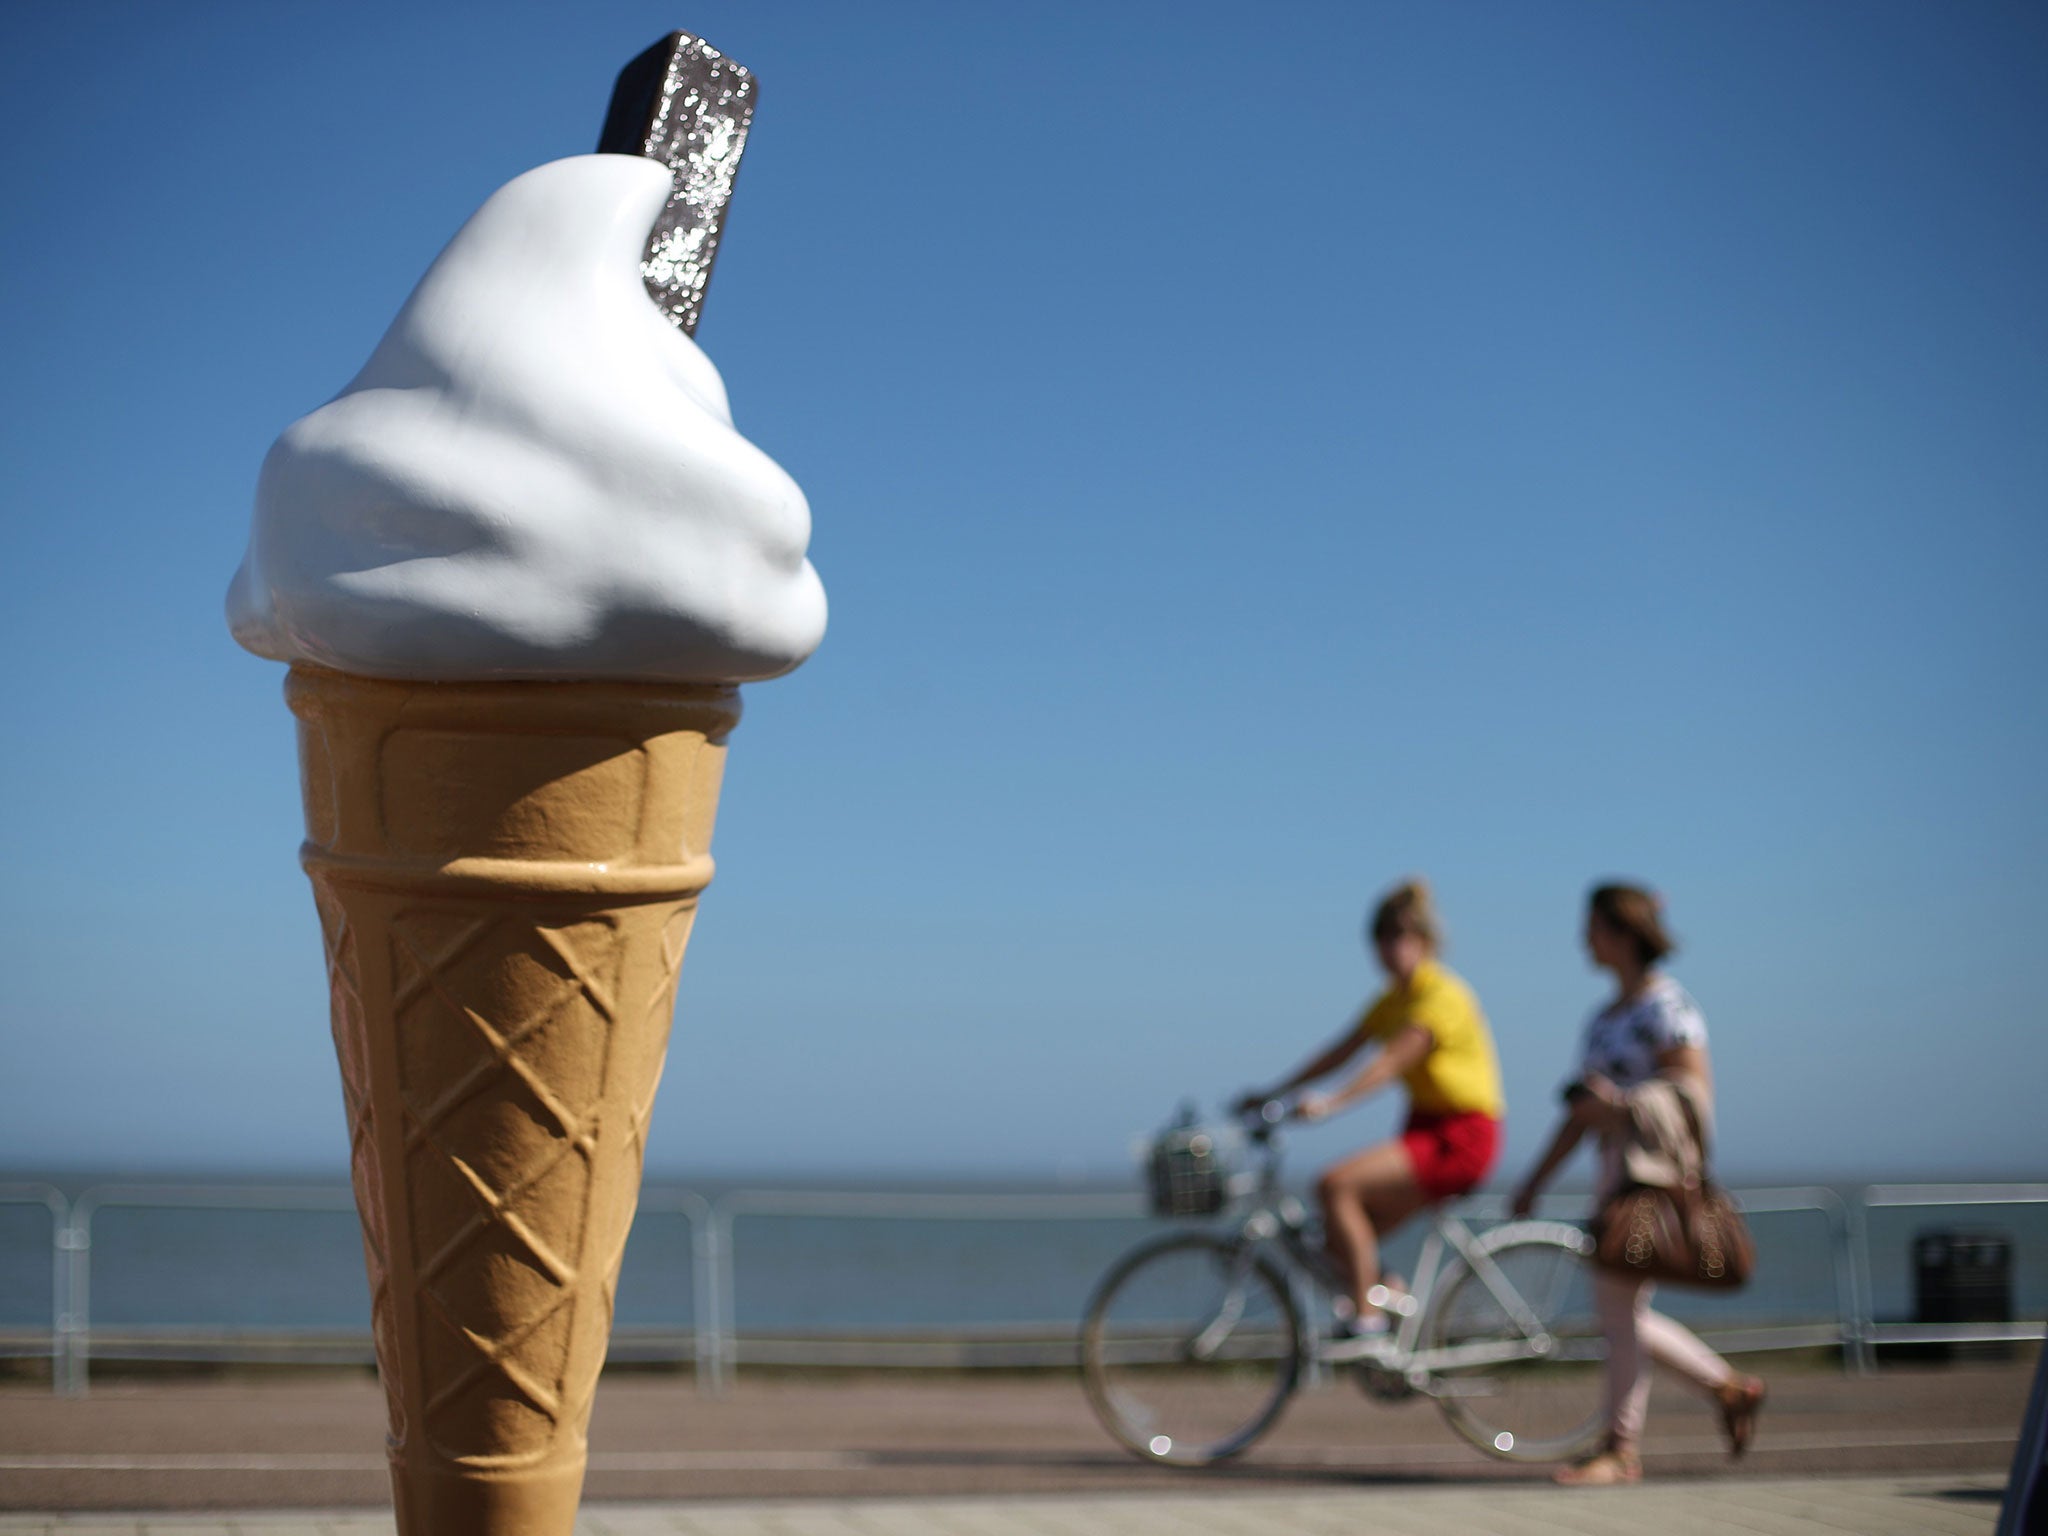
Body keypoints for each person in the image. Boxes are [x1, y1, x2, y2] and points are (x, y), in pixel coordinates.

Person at [1510, 882, 1766, 1484]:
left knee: (1617, 1307)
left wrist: (1619, 1108)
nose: (1585, 939)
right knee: (1620, 1308)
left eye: (1594, 926)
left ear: (1622, 933)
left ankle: (1622, 1449)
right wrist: (1536, 1179)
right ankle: (1726, 1389)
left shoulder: (1667, 1008)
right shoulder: (1605, 1018)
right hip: (1616, 1178)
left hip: (1654, 1180)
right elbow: (1579, 1117)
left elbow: (1692, 1097)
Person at [1239, 879, 1504, 1331]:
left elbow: (1391, 1059)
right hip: (1424, 1129)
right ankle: (1389, 1294)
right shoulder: (1392, 1000)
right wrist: (1273, 1092)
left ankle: (1367, 1322)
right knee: (1336, 1241)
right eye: (1380, 936)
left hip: (1460, 1135)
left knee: (1335, 1186)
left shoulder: (1442, 995)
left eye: (1398, 935)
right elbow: (1341, 1050)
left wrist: (1332, 1103)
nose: (1388, 947)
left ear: (1423, 939)